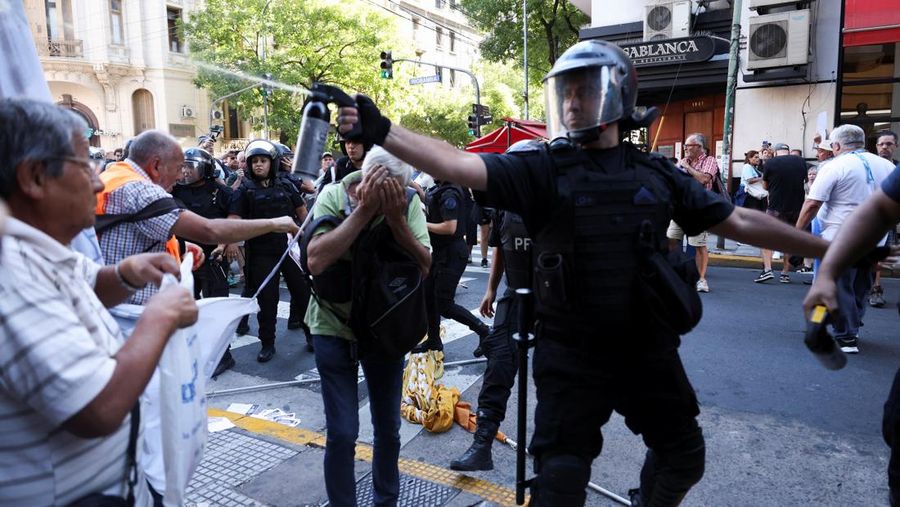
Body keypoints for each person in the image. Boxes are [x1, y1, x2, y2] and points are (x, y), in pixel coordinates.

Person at [336, 39, 829, 506]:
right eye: (565, 93)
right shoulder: (543, 170)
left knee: (683, 458)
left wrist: (830, 249)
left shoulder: (656, 174)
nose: (572, 103)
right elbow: (460, 164)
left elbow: (739, 218)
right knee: (561, 480)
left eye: (584, 90)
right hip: (571, 352)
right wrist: (384, 130)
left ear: (618, 94)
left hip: (646, 349)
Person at [0, 98, 197, 506]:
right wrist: (159, 317)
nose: (98, 181)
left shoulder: (37, 248)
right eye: (85, 164)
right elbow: (99, 408)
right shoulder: (10, 275)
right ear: (35, 177)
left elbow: (90, 282)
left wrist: (127, 273)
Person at [304, 147, 431, 507]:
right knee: (343, 433)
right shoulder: (333, 195)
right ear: (366, 176)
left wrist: (396, 221)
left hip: (384, 329)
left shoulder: (406, 203)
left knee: (388, 430)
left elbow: (424, 264)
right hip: (332, 323)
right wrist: (362, 212)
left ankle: (385, 500)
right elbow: (315, 260)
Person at [95, 130, 299, 305]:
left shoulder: (115, 177)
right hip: (131, 308)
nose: (180, 176)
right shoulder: (142, 190)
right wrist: (276, 223)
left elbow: (134, 230)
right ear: (156, 165)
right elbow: (209, 231)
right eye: (178, 168)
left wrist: (180, 247)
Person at [802, 162, 900, 506]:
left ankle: (847, 333)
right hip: (848, 245)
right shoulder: (887, 168)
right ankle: (848, 332)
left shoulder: (839, 165)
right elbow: (879, 208)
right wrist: (828, 270)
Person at [450, 143, 535, 470]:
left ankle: (552, 455)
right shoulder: (504, 203)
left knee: (554, 377)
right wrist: (490, 289)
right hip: (513, 295)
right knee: (498, 366)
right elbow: (499, 245)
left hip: (553, 300)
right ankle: (482, 443)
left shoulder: (558, 200)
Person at [795, 124, 895, 353]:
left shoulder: (834, 166)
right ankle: (852, 323)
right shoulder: (888, 166)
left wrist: (797, 233)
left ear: (837, 145)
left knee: (839, 286)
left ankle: (847, 335)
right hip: (876, 240)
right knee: (861, 285)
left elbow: (812, 203)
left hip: (840, 239)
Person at [228, 139, 308, 362]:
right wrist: (230, 242)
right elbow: (233, 219)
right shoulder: (244, 190)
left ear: (271, 163)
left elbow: (302, 213)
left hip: (288, 248)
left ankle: (312, 337)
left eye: (263, 161)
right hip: (261, 252)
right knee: (268, 300)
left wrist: (309, 237)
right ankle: (268, 343)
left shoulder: (286, 185)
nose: (259, 165)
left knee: (303, 294)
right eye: (254, 161)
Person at [171, 146, 237, 376]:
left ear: (205, 168)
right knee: (186, 307)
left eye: (191, 166)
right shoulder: (175, 190)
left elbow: (233, 220)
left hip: (212, 258)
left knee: (216, 307)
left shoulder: (222, 193)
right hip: (184, 258)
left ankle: (223, 355)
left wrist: (226, 244)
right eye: (184, 167)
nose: (186, 171)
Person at [423, 178, 490, 355]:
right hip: (440, 253)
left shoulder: (449, 193)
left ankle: (484, 331)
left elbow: (450, 227)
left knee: (444, 303)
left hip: (452, 253)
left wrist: (422, 225)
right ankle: (434, 340)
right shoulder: (439, 189)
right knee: (428, 295)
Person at [667, 133, 719, 293]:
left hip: (699, 210)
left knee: (699, 245)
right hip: (680, 209)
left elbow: (704, 179)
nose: (685, 149)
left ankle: (701, 279)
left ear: (698, 147)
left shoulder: (709, 161)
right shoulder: (682, 162)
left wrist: (688, 168)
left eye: (688, 146)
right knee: (671, 240)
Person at [756, 142, 807, 283]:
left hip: (776, 207)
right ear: (788, 151)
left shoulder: (771, 163)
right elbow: (805, 180)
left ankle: (767, 270)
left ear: (776, 152)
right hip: (797, 207)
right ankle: (785, 273)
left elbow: (765, 186)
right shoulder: (801, 162)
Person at [870, 130, 899, 307]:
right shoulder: (869, 165)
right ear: (876, 146)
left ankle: (876, 288)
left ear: (896, 146)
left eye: (888, 144)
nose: (884, 147)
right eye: (881, 144)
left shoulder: (897, 168)